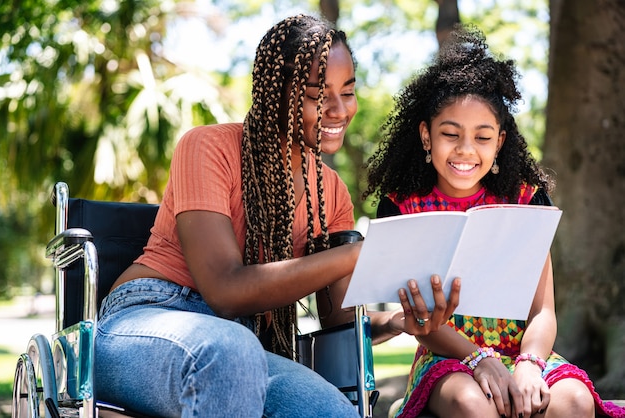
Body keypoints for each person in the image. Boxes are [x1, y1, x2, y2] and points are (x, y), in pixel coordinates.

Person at [94, 14, 460, 418]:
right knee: (229, 350)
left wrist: (398, 322)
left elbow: (339, 318)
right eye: (317, 94)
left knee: (335, 412)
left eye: (349, 91)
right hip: (149, 319)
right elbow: (225, 290)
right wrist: (360, 255)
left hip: (241, 349)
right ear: (276, 96)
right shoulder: (207, 148)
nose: (338, 110)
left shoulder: (332, 193)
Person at [365, 25, 625, 418]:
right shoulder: (403, 208)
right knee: (474, 404)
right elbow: (421, 320)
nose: (466, 150)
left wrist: (530, 364)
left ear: (500, 141)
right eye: (450, 134)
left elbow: (543, 311)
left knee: (573, 401)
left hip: (526, 354)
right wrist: (479, 360)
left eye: (482, 137)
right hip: (448, 359)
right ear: (425, 136)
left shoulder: (525, 201)